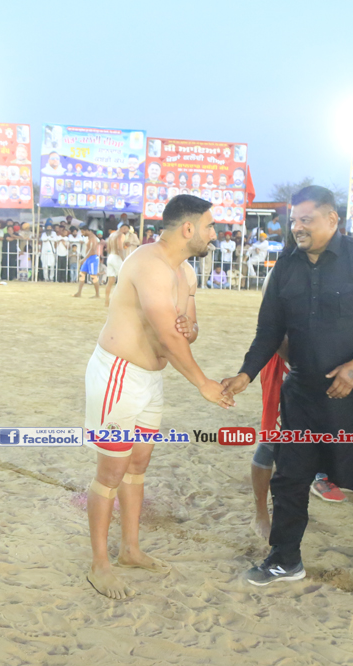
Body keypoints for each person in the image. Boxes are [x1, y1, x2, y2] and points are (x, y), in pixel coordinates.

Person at [224, 186, 353, 585]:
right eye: (294, 221)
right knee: (289, 477)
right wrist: (245, 374)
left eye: (306, 220)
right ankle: (285, 559)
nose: (297, 228)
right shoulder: (286, 266)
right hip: (302, 396)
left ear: (332, 219)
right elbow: (269, 330)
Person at [83, 195, 233, 599]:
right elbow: (166, 334)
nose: (214, 234)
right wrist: (203, 383)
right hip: (119, 374)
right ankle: (100, 563)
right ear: (188, 228)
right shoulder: (148, 264)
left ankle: (130, 549)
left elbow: (187, 329)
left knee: (137, 466)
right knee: (111, 472)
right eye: (209, 226)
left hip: (151, 379)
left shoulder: (186, 272)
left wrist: (191, 328)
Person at [104, 224, 130, 307]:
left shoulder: (112, 234)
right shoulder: (120, 235)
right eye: (126, 230)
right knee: (123, 278)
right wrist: (123, 259)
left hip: (110, 256)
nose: (126, 232)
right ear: (124, 228)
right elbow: (119, 248)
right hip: (116, 257)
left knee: (110, 280)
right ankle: (121, 300)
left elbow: (108, 248)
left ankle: (106, 301)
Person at [73, 229, 102, 298]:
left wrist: (84, 259)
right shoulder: (89, 238)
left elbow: (92, 250)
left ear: (88, 231)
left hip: (92, 258)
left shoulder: (93, 238)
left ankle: (97, 294)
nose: (82, 233)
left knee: (93, 276)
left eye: (83, 232)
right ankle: (79, 292)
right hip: (88, 258)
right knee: (82, 274)